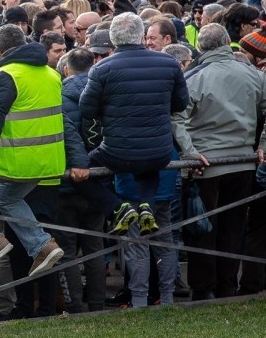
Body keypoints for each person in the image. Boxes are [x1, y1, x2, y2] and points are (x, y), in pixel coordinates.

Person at [172, 23, 266, 299]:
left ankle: (204, 289)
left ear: (200, 46)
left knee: (203, 228)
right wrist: (265, 146)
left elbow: (176, 117)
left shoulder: (195, 77)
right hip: (243, 161)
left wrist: (189, 151)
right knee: (233, 227)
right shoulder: (250, 73)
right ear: (227, 41)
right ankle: (226, 286)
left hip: (205, 164)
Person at [0, 25, 70, 278]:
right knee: (4, 197)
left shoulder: (5, 75)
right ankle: (42, 244)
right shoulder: (51, 73)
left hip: (19, 161)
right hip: (50, 161)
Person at [79, 13, 188, 235]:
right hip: (159, 150)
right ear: (141, 35)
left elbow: (87, 109)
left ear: (113, 38)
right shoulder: (169, 63)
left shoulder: (101, 69)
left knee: (79, 172)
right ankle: (146, 206)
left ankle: (118, 208)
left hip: (117, 152)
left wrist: (109, 110)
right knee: (148, 163)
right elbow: (180, 103)